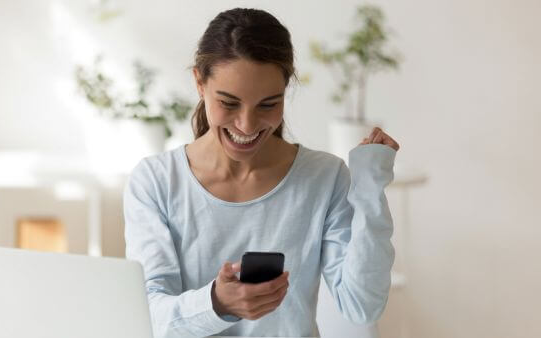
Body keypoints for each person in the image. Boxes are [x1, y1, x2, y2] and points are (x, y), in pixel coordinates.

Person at [124, 7, 400, 338]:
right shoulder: (155, 181)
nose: (247, 125)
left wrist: (369, 188)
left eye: (268, 104)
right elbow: (148, 319)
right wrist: (217, 303)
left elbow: (362, 305)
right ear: (199, 82)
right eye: (228, 103)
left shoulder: (324, 177)